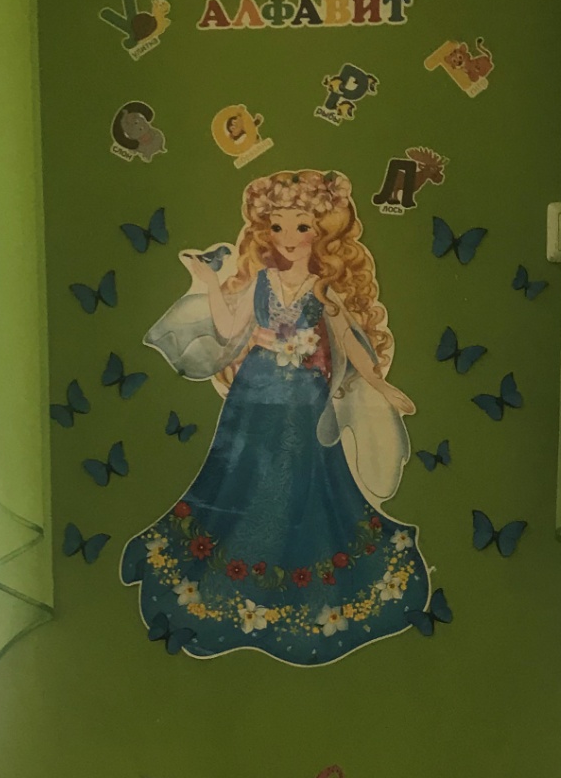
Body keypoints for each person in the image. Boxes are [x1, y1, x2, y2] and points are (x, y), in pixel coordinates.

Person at [120, 168, 431, 663]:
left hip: (304, 404)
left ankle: (300, 580)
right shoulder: (261, 281)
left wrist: (382, 384)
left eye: (301, 226)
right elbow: (228, 328)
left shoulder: (323, 289)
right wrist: (209, 281)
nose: (288, 236)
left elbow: (350, 341)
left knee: (303, 483)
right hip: (253, 399)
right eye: (278, 225)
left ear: (320, 233)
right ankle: (229, 574)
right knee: (240, 478)